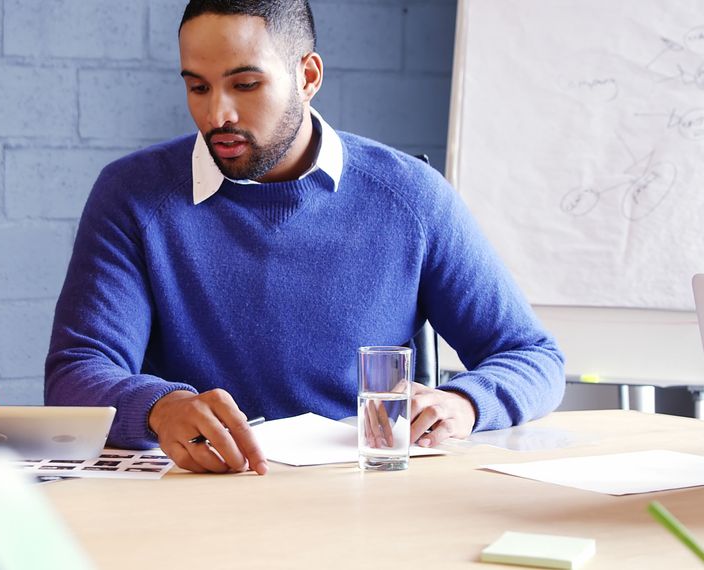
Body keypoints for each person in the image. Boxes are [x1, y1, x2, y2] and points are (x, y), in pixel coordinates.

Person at [45, 0, 565, 476]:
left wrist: (466, 403)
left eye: (245, 85)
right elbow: (75, 374)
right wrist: (161, 407)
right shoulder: (132, 194)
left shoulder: (411, 196)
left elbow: (532, 355)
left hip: (361, 492)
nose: (217, 114)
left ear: (308, 76)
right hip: (200, 492)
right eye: (198, 86)